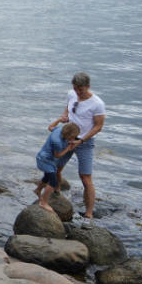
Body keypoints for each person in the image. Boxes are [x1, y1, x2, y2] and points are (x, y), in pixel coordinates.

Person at [48, 72, 105, 223]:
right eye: (76, 89)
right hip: (66, 138)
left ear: (88, 87)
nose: (78, 92)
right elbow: (67, 108)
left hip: (84, 143)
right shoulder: (71, 94)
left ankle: (88, 214)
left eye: (81, 90)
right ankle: (57, 193)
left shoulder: (97, 104)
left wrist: (80, 140)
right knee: (55, 168)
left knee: (85, 178)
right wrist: (64, 115)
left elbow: (98, 127)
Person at [34, 122, 80, 214]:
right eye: (72, 137)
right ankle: (44, 203)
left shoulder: (59, 130)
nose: (73, 139)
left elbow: (50, 127)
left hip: (46, 159)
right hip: (45, 160)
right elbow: (58, 155)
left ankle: (38, 190)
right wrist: (68, 148)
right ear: (67, 134)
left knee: (47, 177)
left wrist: (60, 119)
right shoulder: (57, 142)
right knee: (53, 182)